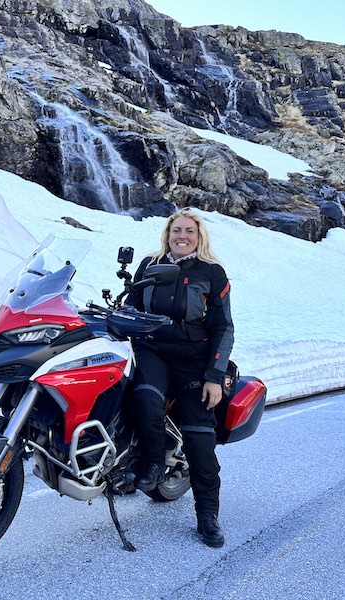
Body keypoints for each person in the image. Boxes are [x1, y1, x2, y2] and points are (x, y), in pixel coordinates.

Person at [125, 207, 234, 548]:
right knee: (143, 397)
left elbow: (223, 327)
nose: (182, 236)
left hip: (194, 360)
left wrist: (214, 375)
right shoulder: (150, 264)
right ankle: (153, 462)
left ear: (199, 237)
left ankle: (208, 515)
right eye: (176, 230)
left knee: (200, 438)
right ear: (167, 234)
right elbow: (131, 306)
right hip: (153, 351)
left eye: (189, 231)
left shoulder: (211, 272)